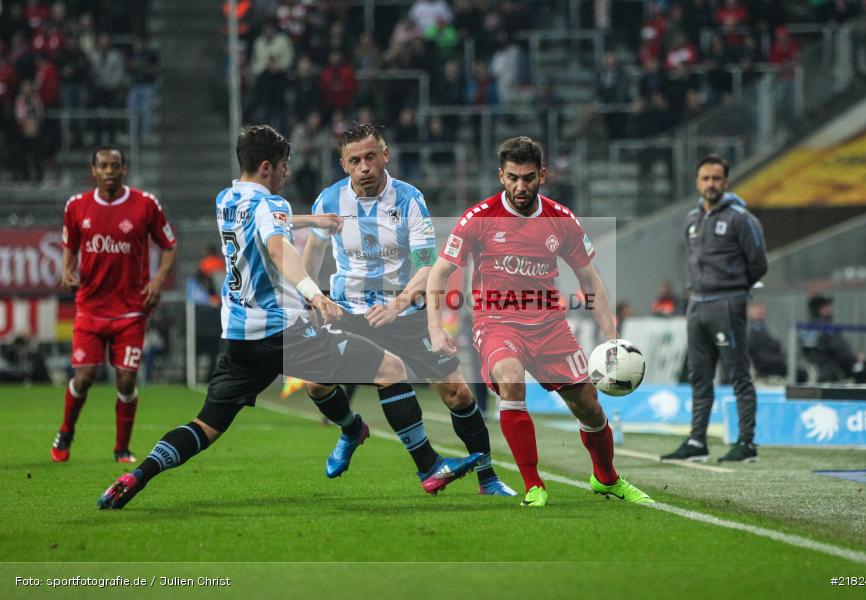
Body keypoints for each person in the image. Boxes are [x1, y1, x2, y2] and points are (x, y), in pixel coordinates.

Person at [98, 125, 480, 509]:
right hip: (282, 335)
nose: (287, 173)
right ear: (267, 167)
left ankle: (139, 474)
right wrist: (315, 296)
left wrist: (312, 221)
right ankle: (428, 467)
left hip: (238, 340)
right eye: (284, 167)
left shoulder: (226, 199)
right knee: (391, 370)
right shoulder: (272, 206)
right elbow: (280, 249)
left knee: (206, 425)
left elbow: (264, 222)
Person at [426, 136, 653, 507]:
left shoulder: (560, 220)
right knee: (511, 378)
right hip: (496, 322)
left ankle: (606, 478)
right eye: (513, 177)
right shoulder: (478, 219)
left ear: (542, 175)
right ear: (501, 175)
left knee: (589, 407)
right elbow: (439, 274)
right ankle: (534, 485)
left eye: (528, 177)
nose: (520, 186)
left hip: (549, 326)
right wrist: (435, 329)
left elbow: (590, 278)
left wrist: (611, 337)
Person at [301, 123, 514, 496]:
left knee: (458, 394)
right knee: (315, 381)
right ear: (343, 165)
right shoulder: (328, 202)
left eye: (370, 157)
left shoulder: (409, 199)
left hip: (404, 314)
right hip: (349, 311)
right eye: (355, 160)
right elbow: (314, 252)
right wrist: (311, 297)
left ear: (385, 156)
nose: (364, 166)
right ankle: (352, 429)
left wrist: (397, 303)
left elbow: (427, 266)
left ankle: (488, 478)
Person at [53, 146, 178, 463]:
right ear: (92, 171)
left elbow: (169, 246)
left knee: (126, 379)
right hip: (90, 309)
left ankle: (122, 448)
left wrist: (158, 280)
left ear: (124, 170)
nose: (109, 171)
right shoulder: (77, 206)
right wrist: (66, 271)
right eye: (103, 166)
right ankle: (66, 431)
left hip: (131, 310)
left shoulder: (145, 204)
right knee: (84, 377)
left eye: (115, 166)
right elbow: (69, 245)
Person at [662, 155, 767, 464]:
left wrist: (734, 290)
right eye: (705, 178)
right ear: (697, 182)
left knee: (737, 374)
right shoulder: (691, 219)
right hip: (696, 304)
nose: (711, 184)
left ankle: (746, 443)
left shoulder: (741, 218)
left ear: (726, 182)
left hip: (726, 303)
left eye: (716, 178)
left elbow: (758, 264)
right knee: (699, 376)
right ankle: (697, 441)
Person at [802, 295, 866, 383]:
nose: (830, 309)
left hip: (823, 371)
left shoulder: (805, 330)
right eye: (827, 307)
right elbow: (842, 352)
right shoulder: (827, 328)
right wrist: (856, 359)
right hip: (841, 369)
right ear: (821, 309)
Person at [746, 300, 788, 378]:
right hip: (764, 363)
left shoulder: (761, 326)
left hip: (770, 359)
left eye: (761, 308)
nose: (761, 311)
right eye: (757, 308)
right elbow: (756, 349)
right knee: (798, 373)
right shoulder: (750, 328)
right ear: (749, 311)